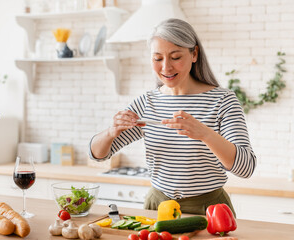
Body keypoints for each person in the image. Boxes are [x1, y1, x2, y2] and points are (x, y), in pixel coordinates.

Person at [88, 18, 256, 216]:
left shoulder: (222, 101)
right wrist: (111, 132)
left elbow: (246, 168)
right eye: (157, 58)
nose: (166, 67)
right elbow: (97, 155)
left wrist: (205, 134)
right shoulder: (147, 102)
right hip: (157, 207)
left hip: (209, 209)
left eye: (175, 57)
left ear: (194, 54)